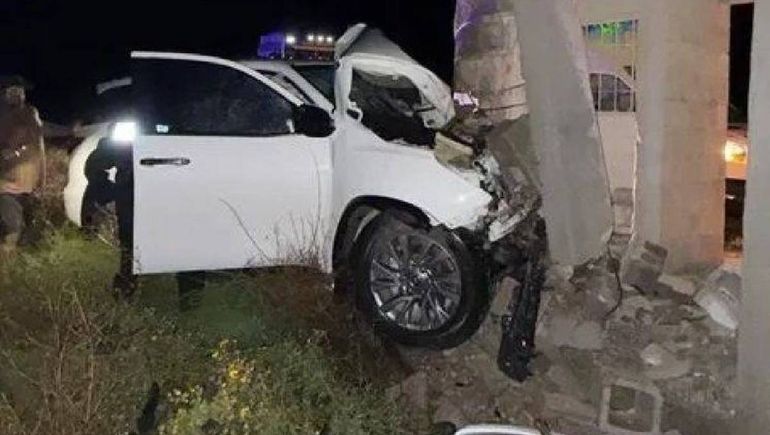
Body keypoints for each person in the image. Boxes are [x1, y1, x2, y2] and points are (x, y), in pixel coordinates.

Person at [0, 76, 45, 262]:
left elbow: (40, 139)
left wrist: (71, 130)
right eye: (11, 91)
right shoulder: (3, 118)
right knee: (13, 227)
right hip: (7, 183)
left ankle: (19, 268)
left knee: (28, 228)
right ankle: (8, 273)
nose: (17, 94)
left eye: (20, 90)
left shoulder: (30, 113)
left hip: (30, 184)